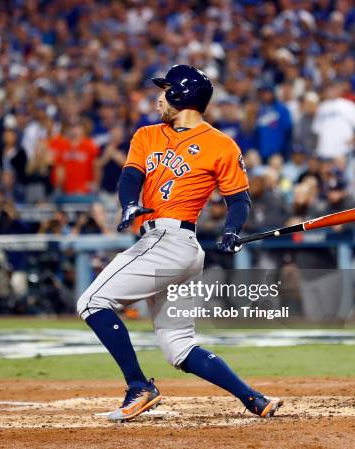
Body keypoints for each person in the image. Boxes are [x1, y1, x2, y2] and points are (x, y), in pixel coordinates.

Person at [76, 65, 282, 422]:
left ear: (181, 95)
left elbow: (239, 200)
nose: (158, 97)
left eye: (165, 89)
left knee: (92, 301)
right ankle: (254, 399)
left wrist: (232, 230)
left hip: (170, 241)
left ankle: (139, 386)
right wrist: (128, 204)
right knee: (179, 347)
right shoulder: (148, 135)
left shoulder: (221, 144)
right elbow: (130, 177)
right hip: (173, 246)